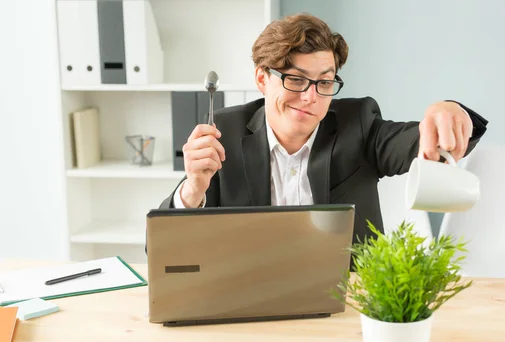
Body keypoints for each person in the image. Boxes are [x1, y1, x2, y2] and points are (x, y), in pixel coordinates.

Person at [158, 12, 488, 245]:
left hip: (347, 297)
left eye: (325, 82)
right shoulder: (224, 133)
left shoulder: (357, 123)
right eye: (296, 79)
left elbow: (420, 143)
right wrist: (193, 189)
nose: (310, 97)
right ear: (262, 79)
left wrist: (448, 113)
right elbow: (161, 247)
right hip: (251, 297)